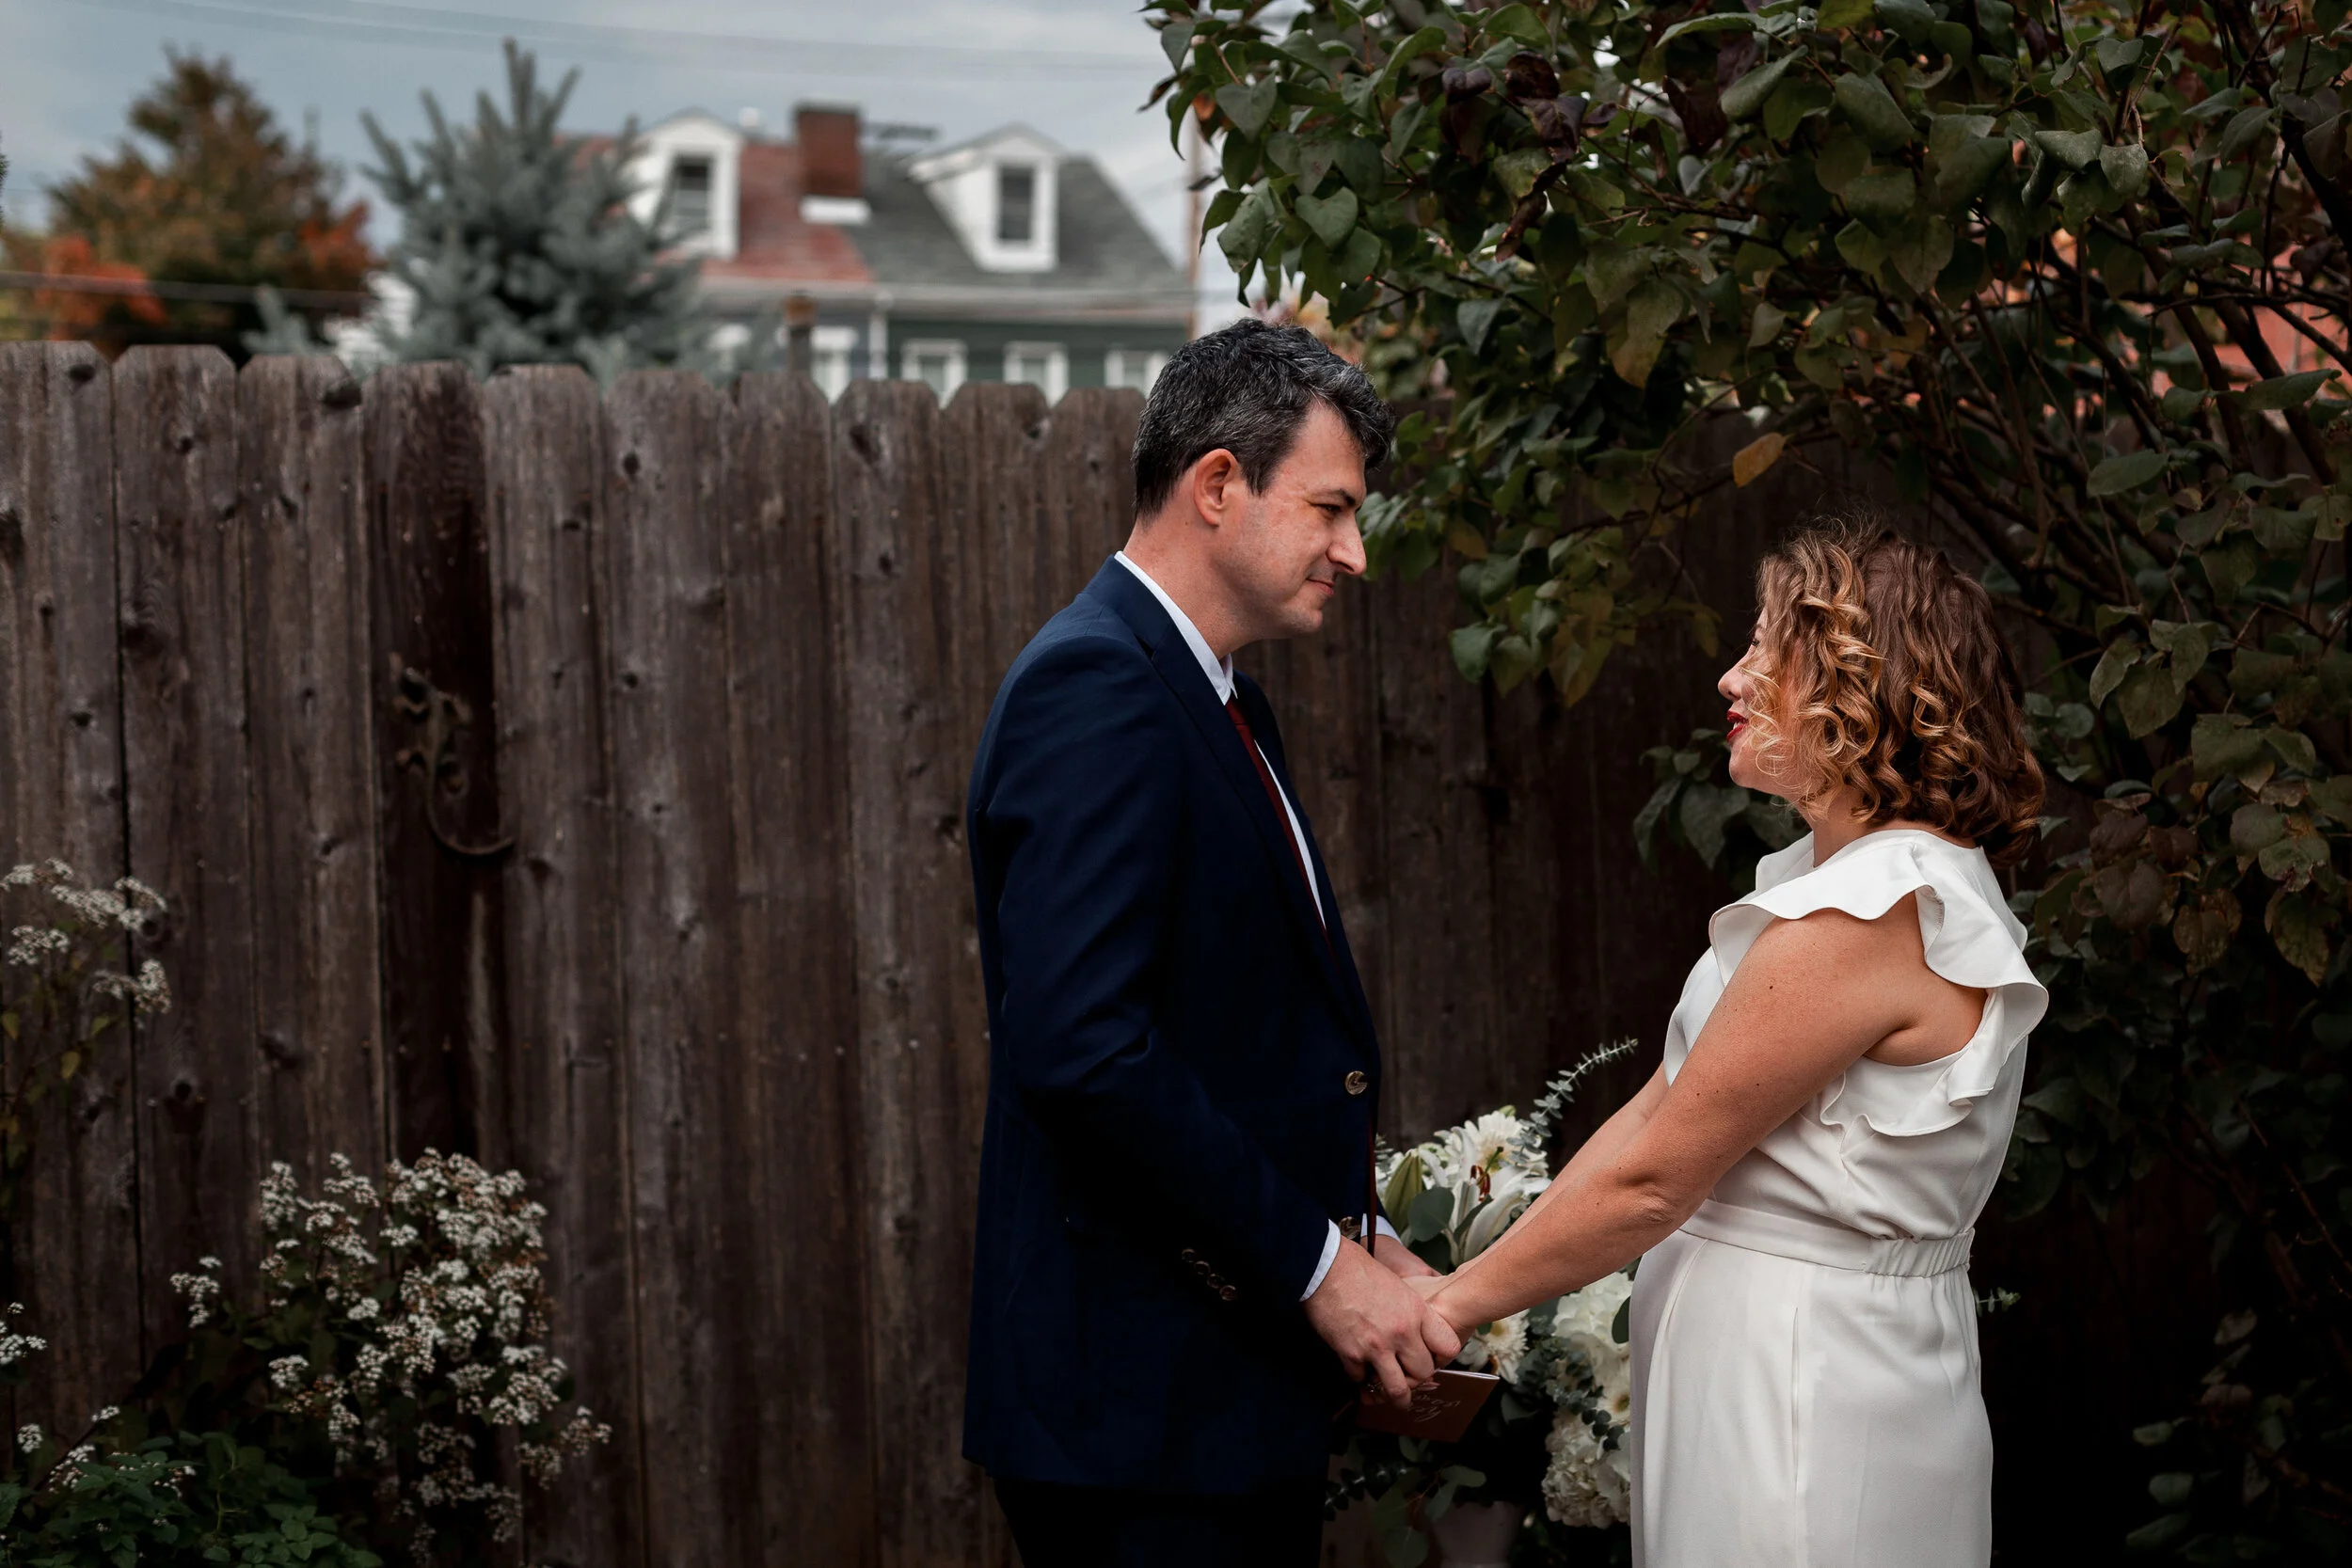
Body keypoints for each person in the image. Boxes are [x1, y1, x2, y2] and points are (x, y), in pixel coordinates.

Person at [1413, 516, 2049, 1567]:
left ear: (1863, 684)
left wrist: (1447, 1305)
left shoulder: (1874, 909)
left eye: (1767, 649)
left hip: (1804, 1385)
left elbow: (1656, 1175)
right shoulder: (1844, 886)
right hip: (1788, 1360)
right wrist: (1487, 1275)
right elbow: (1657, 1108)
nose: (1729, 676)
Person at [961, 319, 1462, 1568]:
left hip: (1210, 1395)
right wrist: (1314, 1266)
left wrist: (1350, 1236)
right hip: (1139, 1415)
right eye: (1333, 509)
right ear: (1220, 483)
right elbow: (1084, 1047)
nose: (1356, 551)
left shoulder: (1214, 692)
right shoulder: (1101, 686)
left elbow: (1219, 1033)